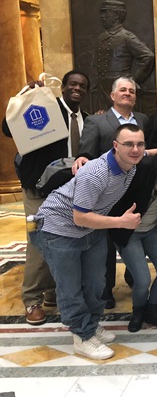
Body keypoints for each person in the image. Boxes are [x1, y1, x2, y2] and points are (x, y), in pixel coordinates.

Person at [32, 124, 145, 360]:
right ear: (115, 147)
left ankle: (91, 326)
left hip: (90, 229)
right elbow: (79, 216)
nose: (135, 149)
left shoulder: (130, 164)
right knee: (70, 288)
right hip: (58, 228)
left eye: (140, 144)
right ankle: (82, 336)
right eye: (128, 144)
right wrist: (120, 222)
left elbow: (149, 151)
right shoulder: (95, 174)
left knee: (96, 284)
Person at [2, 70, 90, 325]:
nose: (77, 88)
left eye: (82, 86)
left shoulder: (85, 119)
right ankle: (31, 299)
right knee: (39, 244)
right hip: (38, 189)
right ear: (63, 87)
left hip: (66, 191)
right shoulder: (47, 107)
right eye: (72, 84)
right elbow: (9, 128)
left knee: (64, 243)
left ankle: (52, 291)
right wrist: (27, 96)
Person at [73, 77, 149, 309]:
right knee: (103, 243)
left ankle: (132, 276)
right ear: (112, 95)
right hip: (105, 192)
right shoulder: (96, 121)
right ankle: (105, 290)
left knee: (130, 236)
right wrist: (81, 158)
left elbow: (148, 150)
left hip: (134, 189)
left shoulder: (144, 120)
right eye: (123, 90)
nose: (128, 93)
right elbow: (85, 152)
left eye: (132, 91)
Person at [109, 127, 157, 332]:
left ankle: (154, 309)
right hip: (129, 231)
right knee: (141, 279)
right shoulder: (143, 167)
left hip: (154, 228)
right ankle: (138, 312)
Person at [90, 0, 155, 112]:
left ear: (116, 15)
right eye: (102, 13)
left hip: (120, 88)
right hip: (103, 88)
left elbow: (147, 56)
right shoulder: (101, 38)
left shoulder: (126, 37)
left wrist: (132, 81)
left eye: (106, 12)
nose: (102, 16)